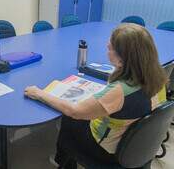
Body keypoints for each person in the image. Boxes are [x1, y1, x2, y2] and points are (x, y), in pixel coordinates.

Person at [24, 23, 168, 168]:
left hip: (108, 152)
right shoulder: (158, 77)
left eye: (110, 47)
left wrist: (38, 93)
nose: (107, 46)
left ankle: (63, 162)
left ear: (122, 59)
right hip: (137, 144)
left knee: (69, 118)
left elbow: (74, 111)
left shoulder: (119, 91)